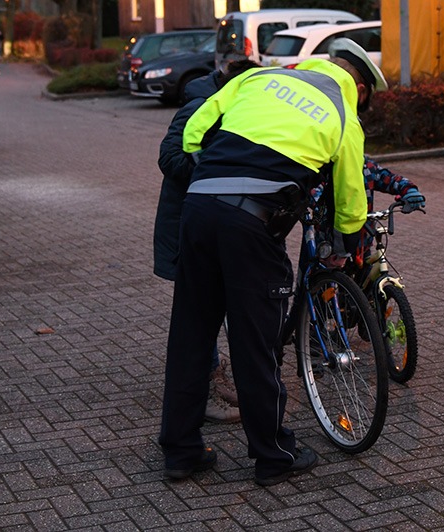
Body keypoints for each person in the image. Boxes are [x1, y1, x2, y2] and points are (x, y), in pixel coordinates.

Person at [159, 39, 387, 486]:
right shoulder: (342, 112)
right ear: (358, 87)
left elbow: (195, 127)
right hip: (253, 225)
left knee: (190, 333)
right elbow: (351, 198)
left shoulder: (258, 76)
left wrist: (209, 168)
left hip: (199, 208)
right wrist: (343, 246)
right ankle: (273, 455)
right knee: (256, 342)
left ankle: (181, 452)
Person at [154, 60, 260, 424]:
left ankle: (214, 377)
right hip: (187, 224)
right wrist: (214, 163)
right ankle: (205, 391)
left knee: (217, 305)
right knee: (199, 312)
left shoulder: (237, 108)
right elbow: (169, 158)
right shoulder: (199, 106)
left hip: (216, 222)